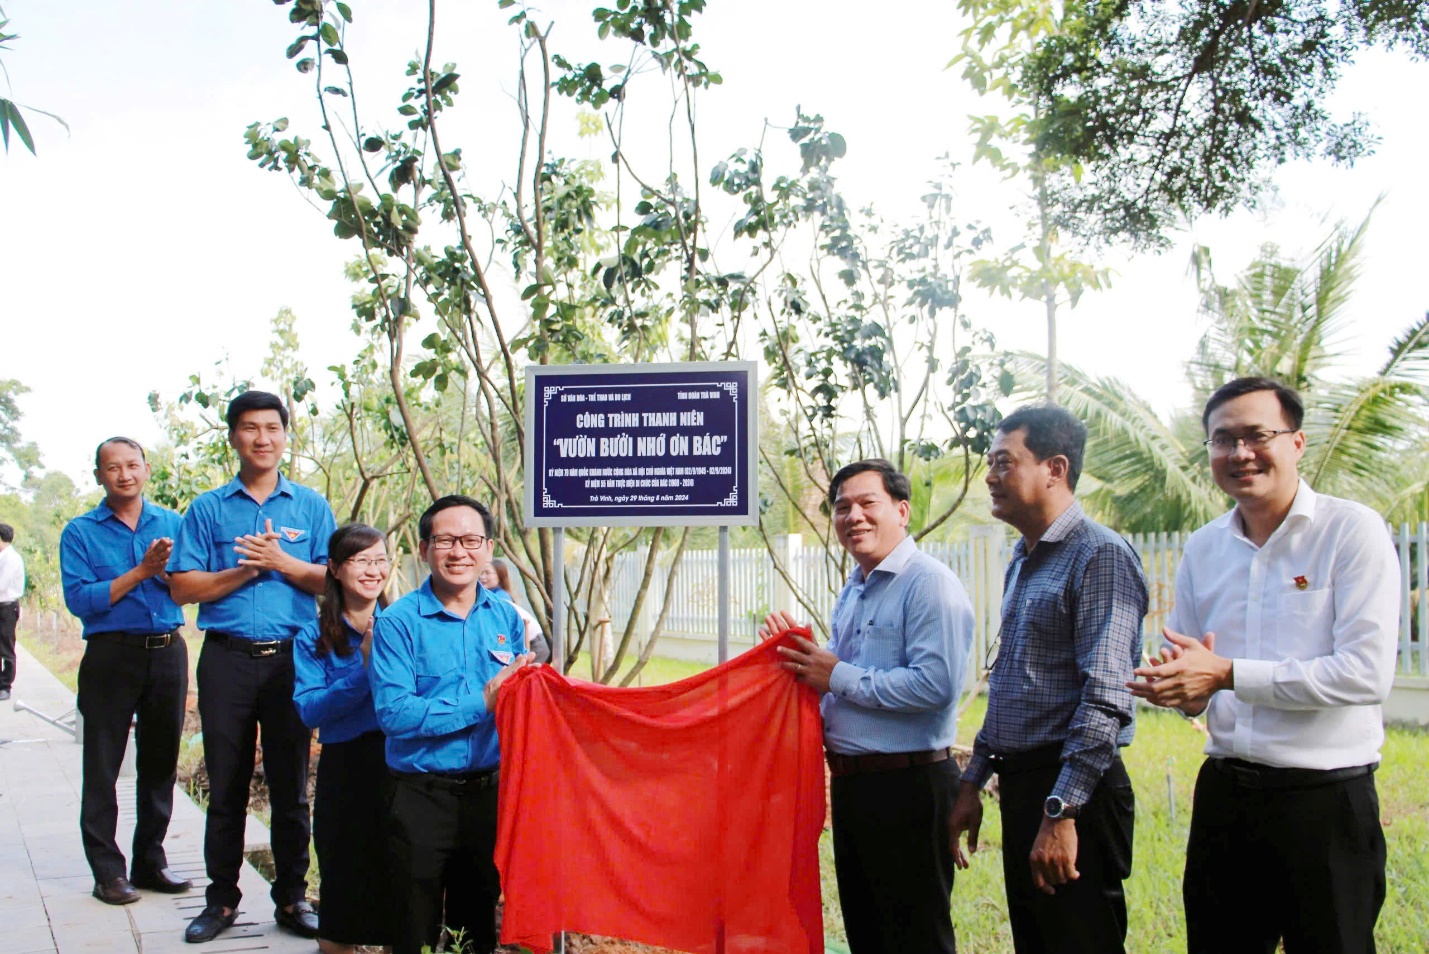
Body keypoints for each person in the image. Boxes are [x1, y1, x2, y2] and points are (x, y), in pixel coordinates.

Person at [1130, 377, 1399, 954]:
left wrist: (1226, 674)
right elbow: (1198, 667)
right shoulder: (1204, 548)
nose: (1240, 453)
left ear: (1297, 443)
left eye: (1258, 435)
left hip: (1326, 803)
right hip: (1227, 799)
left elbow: (1365, 673)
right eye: (1222, 440)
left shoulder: (1351, 532)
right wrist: (1181, 687)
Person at [948, 407, 1148, 954]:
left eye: (1004, 462)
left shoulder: (1099, 555)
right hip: (1026, 786)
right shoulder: (1023, 558)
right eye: (991, 463)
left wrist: (1061, 812)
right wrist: (973, 780)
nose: (990, 475)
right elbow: (1013, 683)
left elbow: (1106, 697)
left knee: (1079, 941)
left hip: (1073, 790)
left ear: (1055, 468)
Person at [761, 459, 975, 954]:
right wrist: (801, 660)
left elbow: (935, 685)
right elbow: (839, 683)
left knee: (915, 935)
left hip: (911, 787)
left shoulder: (928, 584)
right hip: (857, 788)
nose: (853, 516)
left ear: (902, 511)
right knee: (868, 932)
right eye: (841, 507)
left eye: (866, 503)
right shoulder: (855, 588)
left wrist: (833, 672)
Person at [168, 390, 336, 944]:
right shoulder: (209, 509)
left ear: (286, 435)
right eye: (249, 428)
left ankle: (291, 897)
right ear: (233, 437)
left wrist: (281, 562)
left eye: (272, 427)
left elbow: (335, 578)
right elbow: (183, 585)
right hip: (226, 660)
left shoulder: (310, 506)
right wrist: (245, 569)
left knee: (291, 787)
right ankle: (220, 902)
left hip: (294, 660)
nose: (262, 438)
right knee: (227, 784)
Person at [371, 495, 532, 954]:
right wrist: (482, 701)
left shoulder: (505, 617)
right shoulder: (399, 623)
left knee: (477, 924)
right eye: (445, 540)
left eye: (470, 539)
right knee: (410, 925)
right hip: (419, 795)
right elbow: (395, 713)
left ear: (488, 547)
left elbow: (518, 701)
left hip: (487, 796)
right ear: (424, 550)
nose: (458, 551)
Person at [59, 438, 192, 905]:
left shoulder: (174, 523)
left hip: (168, 653)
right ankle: (107, 872)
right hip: (110, 657)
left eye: (132, 465)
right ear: (98, 475)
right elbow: (80, 600)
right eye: (112, 468)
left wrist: (168, 576)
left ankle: (150, 862)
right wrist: (140, 572)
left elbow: (189, 588)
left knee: (159, 764)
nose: (124, 475)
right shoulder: (80, 532)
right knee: (102, 765)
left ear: (147, 468)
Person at [293, 523, 396, 954]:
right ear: (334, 569)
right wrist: (364, 667)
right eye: (360, 561)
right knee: (342, 882)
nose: (373, 571)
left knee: (400, 885)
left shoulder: (406, 627)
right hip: (346, 769)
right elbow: (311, 710)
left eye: (380, 560)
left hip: (402, 766)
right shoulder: (312, 638)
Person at [479, 557, 551, 664]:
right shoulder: (492, 595)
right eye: (481, 573)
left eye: (487, 573)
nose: (482, 577)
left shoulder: (500, 599)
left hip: (534, 645)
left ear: (500, 575)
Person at [0, 521, 25, 701]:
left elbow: (2, 585)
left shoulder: (11, 559)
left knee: (6, 647)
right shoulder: (3, 557)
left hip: (6, 607)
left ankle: (5, 686)